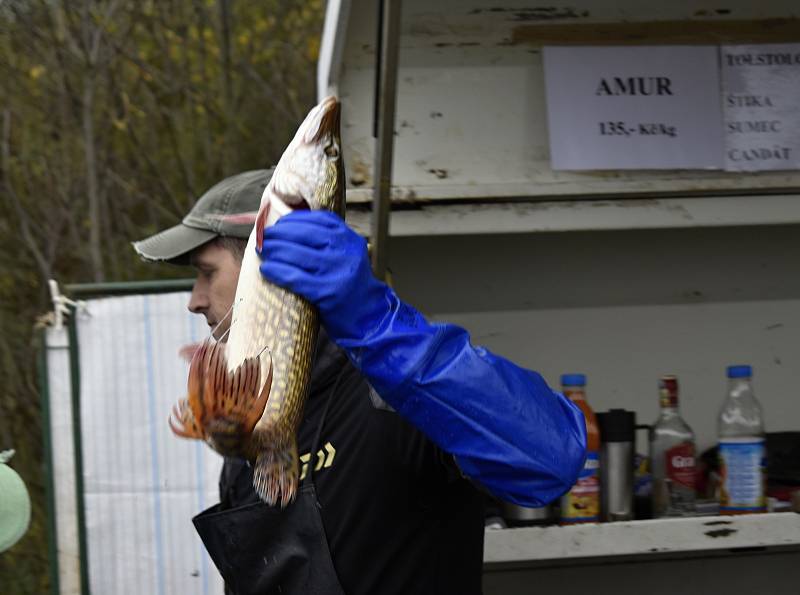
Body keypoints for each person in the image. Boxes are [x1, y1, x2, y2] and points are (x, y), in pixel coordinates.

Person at [133, 169, 587, 595]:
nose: (194, 301)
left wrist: (373, 323)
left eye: (206, 272)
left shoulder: (397, 393)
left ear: (264, 272)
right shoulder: (253, 425)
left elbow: (550, 460)